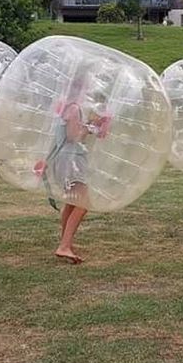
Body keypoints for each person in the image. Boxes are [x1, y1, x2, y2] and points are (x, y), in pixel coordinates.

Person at [37, 76, 111, 263]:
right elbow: (74, 136)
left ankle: (66, 242)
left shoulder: (63, 107)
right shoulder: (74, 109)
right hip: (72, 161)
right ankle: (64, 246)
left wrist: (90, 125)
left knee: (71, 202)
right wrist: (92, 127)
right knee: (83, 203)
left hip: (64, 160)